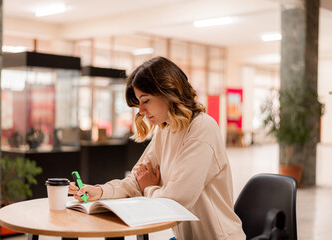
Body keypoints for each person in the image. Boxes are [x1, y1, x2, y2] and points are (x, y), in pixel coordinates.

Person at [69, 56, 245, 240]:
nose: (141, 111)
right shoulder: (166, 130)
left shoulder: (202, 127)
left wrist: (149, 188)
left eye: (146, 100)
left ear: (168, 92)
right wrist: (100, 191)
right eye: (139, 102)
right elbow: (136, 180)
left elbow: (178, 200)